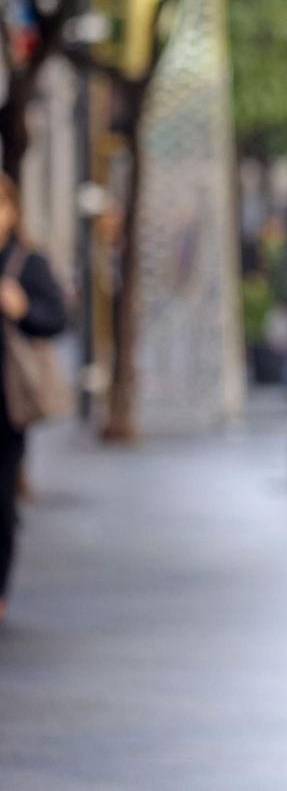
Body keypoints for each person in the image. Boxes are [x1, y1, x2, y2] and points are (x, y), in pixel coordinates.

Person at [0, 174, 67, 622]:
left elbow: (58, 318)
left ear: (12, 210)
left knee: (0, 499)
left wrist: (22, 309)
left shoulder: (27, 263)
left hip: (7, 404)